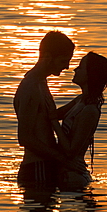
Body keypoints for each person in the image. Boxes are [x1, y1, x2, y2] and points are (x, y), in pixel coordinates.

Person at [14, 31, 75, 187]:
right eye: (64, 61)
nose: (67, 67)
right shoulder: (31, 87)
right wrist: (62, 159)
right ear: (48, 57)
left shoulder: (41, 83)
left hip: (44, 166)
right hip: (36, 168)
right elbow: (25, 138)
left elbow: (50, 117)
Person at [52, 51, 107, 191]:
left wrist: (54, 124)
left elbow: (70, 151)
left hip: (73, 175)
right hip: (65, 171)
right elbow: (54, 114)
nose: (75, 69)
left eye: (80, 67)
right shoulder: (80, 100)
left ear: (90, 74)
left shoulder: (90, 111)